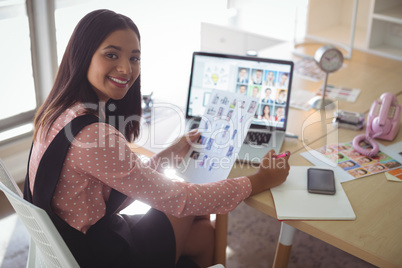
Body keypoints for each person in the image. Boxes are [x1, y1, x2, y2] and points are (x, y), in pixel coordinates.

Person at [24, 9, 290, 268]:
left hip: (74, 245)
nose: (126, 68)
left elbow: (125, 179)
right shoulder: (93, 134)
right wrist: (259, 181)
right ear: (83, 55)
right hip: (98, 254)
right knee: (192, 209)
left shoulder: (58, 111)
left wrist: (167, 155)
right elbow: (179, 199)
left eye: (134, 58)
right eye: (111, 54)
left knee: (204, 233)